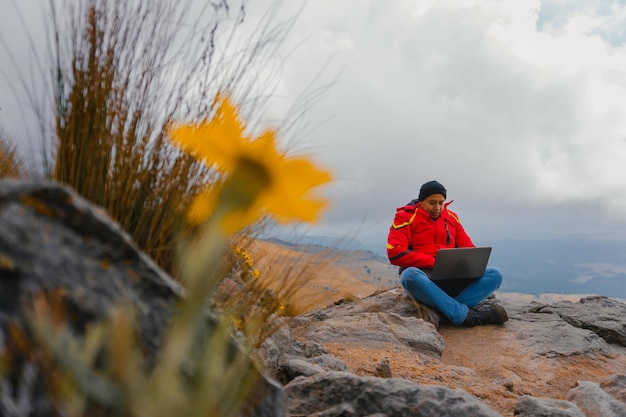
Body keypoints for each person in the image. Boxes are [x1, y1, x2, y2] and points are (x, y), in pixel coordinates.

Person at [386, 180, 508, 326]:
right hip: (425, 280)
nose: (437, 207)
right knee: (409, 276)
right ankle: (466, 315)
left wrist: (467, 265)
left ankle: (445, 310)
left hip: (453, 277)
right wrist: (434, 263)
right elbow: (395, 253)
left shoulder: (451, 217)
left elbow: (468, 248)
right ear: (421, 201)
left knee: (495, 275)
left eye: (441, 203)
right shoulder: (405, 217)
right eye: (432, 202)